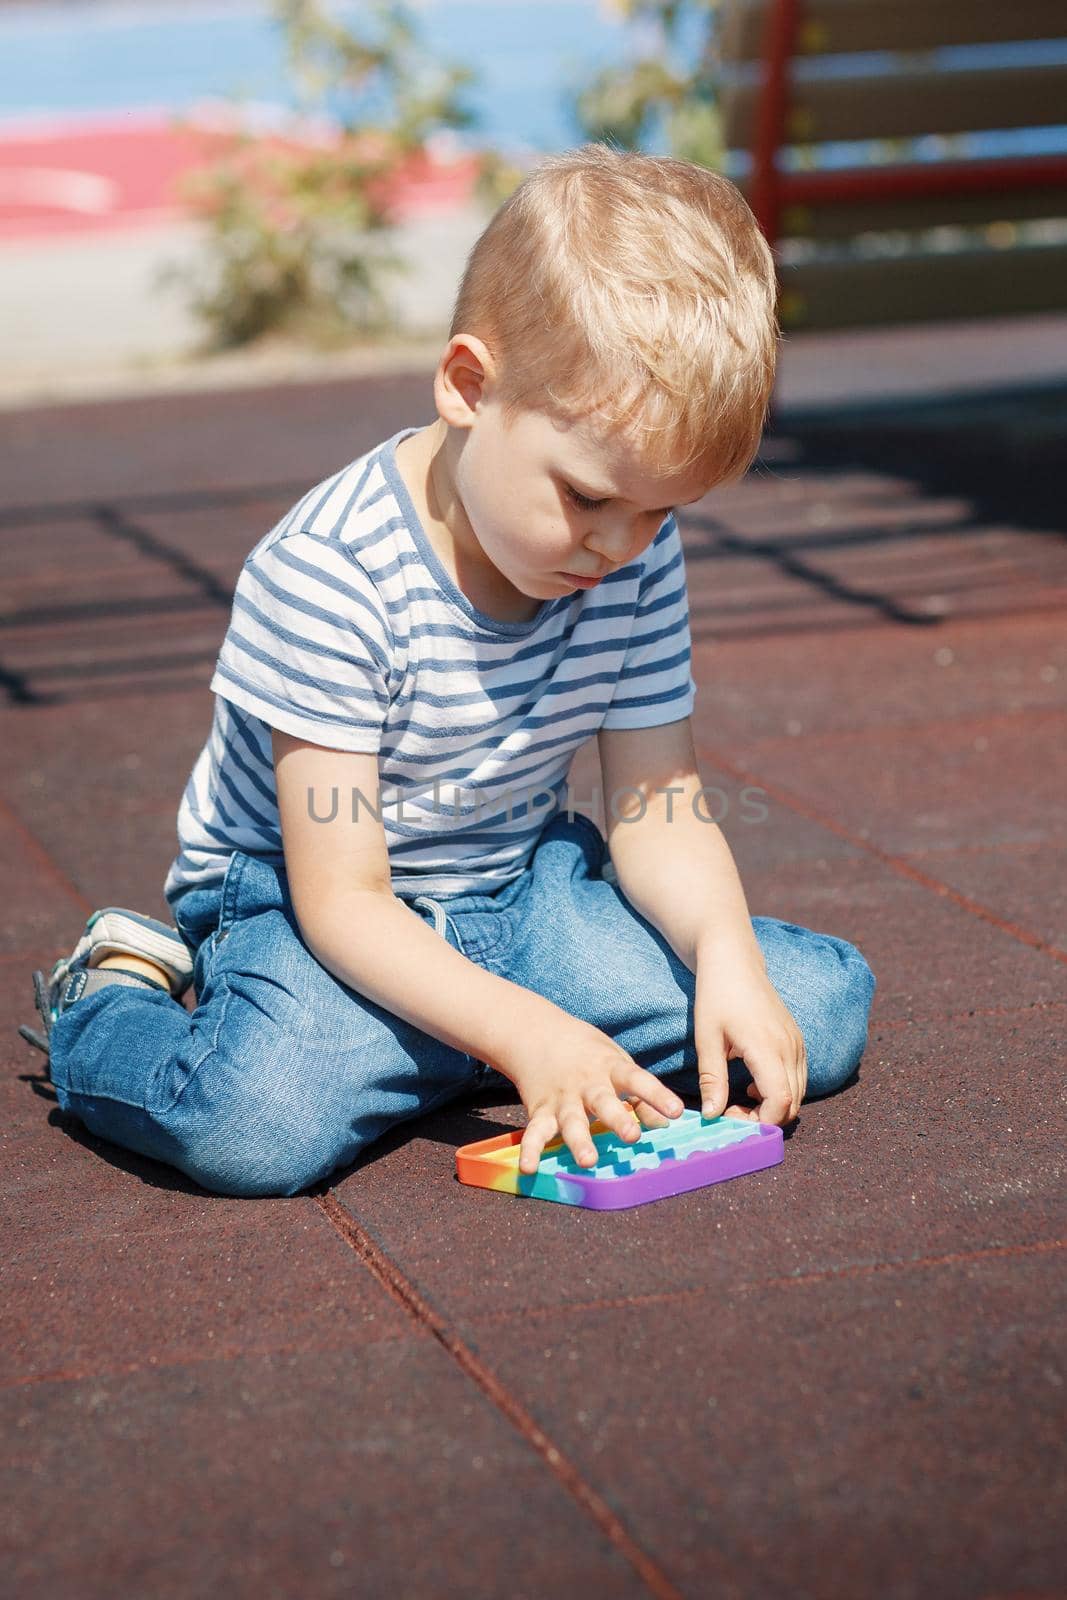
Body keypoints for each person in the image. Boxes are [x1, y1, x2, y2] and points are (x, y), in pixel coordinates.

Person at [19, 143, 876, 1198]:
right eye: (586, 497)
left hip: (516, 889)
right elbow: (343, 903)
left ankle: (443, 1052)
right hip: (310, 910)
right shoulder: (330, 572)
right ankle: (107, 1000)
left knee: (813, 1015)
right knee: (250, 1128)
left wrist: (726, 954)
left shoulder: (634, 554)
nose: (618, 544)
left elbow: (658, 805)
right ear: (470, 386)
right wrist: (532, 1033)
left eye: (660, 510)